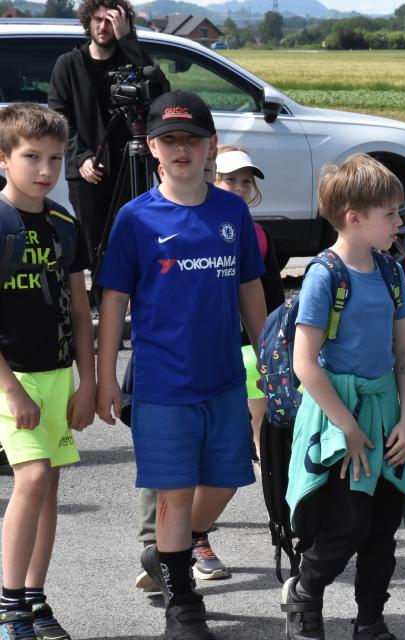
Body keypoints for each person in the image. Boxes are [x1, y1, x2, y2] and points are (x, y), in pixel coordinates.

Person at [95, 90, 267, 640]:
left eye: (192, 139)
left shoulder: (232, 211)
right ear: (152, 148)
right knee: (173, 492)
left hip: (224, 380)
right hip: (162, 384)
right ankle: (182, 603)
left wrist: (270, 359)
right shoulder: (135, 218)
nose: (182, 149)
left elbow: (250, 290)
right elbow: (114, 301)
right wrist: (104, 378)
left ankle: (167, 555)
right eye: (169, 140)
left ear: (211, 145)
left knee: (228, 480)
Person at [280, 154, 405, 640]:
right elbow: (305, 363)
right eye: (390, 214)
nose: (400, 223)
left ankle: (370, 622)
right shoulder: (325, 275)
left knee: (382, 525)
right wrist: (349, 428)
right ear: (354, 218)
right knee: (349, 522)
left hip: (384, 414)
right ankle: (305, 594)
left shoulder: (391, 272)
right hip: (338, 418)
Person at [0, 103, 95, 640]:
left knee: (49, 484)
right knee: (32, 477)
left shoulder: (64, 224)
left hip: (58, 373)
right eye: (31, 157)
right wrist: (12, 390)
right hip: (9, 377)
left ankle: (35, 598)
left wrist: (89, 381)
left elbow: (81, 309)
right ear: (3, 158)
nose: (45, 170)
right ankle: (9, 606)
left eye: (56, 159)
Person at [47, 0, 155, 263]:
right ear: (88, 21)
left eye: (111, 20)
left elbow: (157, 88)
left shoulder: (132, 62)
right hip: (88, 173)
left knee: (133, 245)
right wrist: (81, 157)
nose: (103, 26)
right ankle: (98, 291)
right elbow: (59, 117)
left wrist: (127, 40)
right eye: (98, 19)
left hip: (131, 167)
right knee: (94, 248)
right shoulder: (69, 64)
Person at [214, 144, 285, 467]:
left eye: (246, 181)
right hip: (214, 340)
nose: (240, 187)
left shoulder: (260, 234)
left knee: (254, 368)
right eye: (230, 179)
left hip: (250, 339)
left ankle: (259, 444)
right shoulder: (199, 229)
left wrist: (276, 341)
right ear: (211, 179)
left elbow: (273, 295)